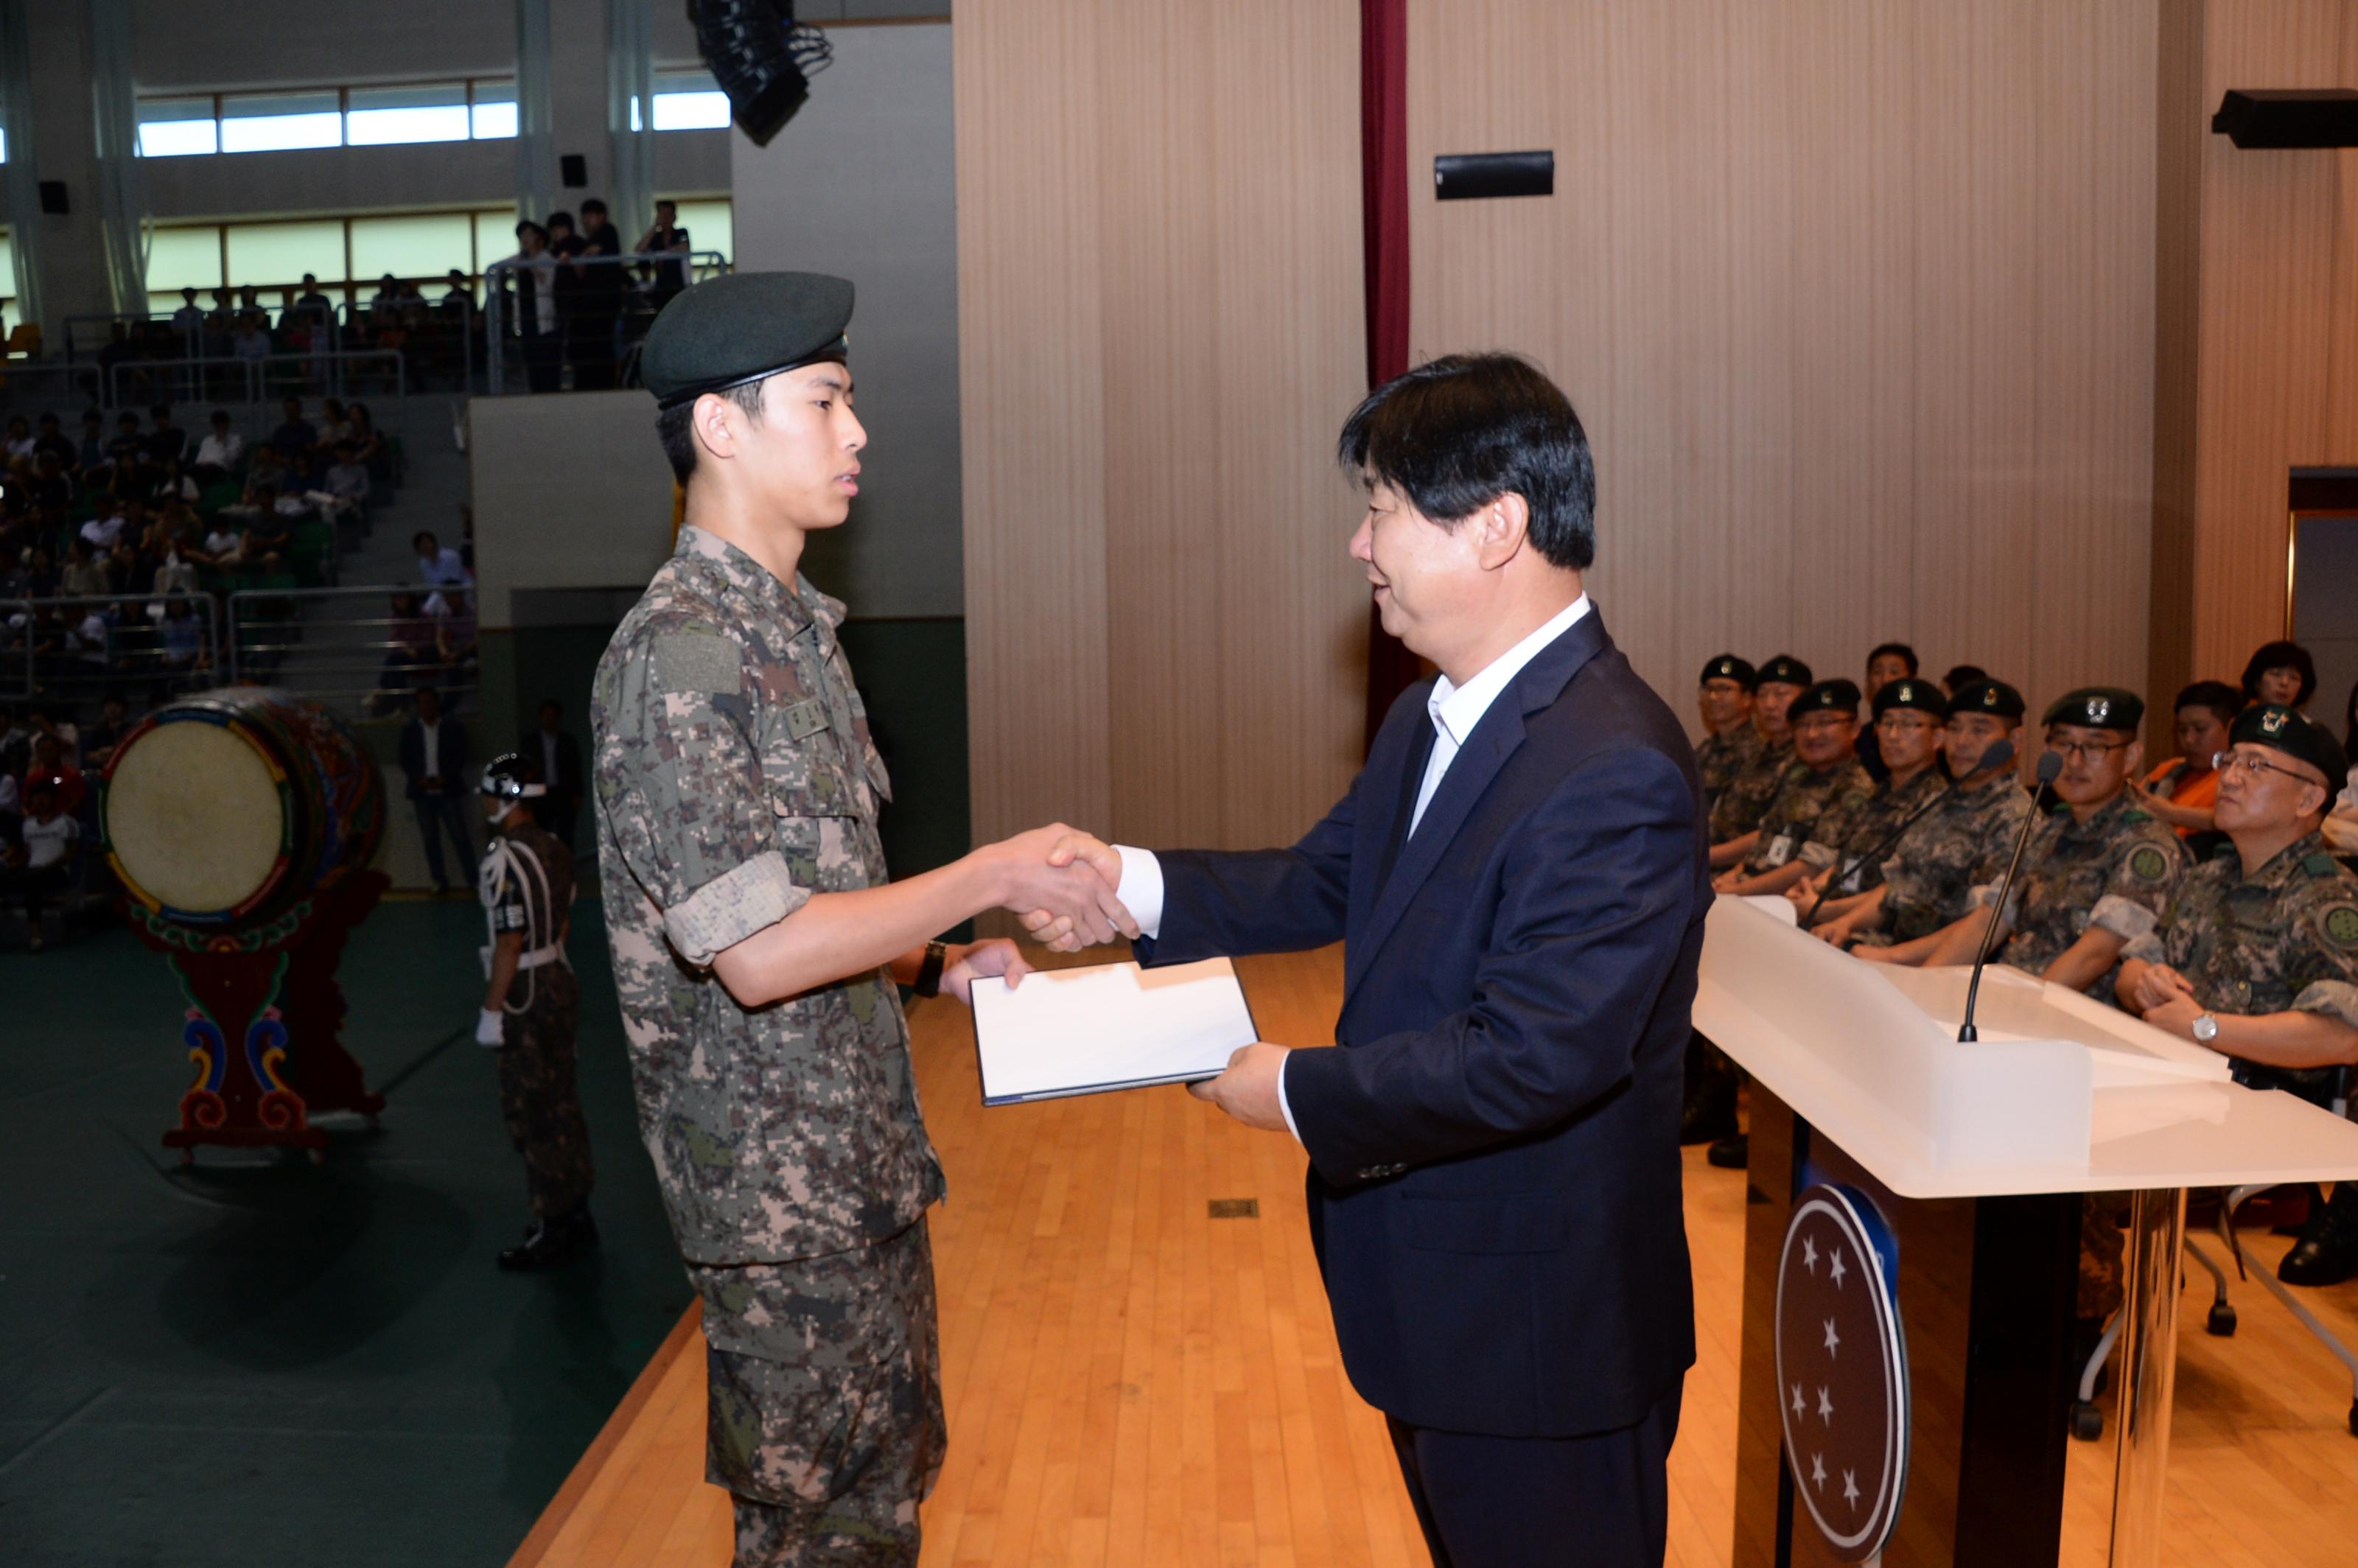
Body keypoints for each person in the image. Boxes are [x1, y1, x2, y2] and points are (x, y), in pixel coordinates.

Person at [1038, 352, 1704, 1567]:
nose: (1360, 544)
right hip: (1445, 1309)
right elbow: (1331, 878)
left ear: (1495, 526)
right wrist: (1122, 884)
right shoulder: (1431, 711)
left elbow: (1536, 1055)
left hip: (1540, 1337)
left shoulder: (1614, 767)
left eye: (1384, 506)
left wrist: (1290, 1088)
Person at [593, 270, 1133, 1567]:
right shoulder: (680, 655)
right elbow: (763, 954)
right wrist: (988, 869)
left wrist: (938, 960)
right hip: (779, 1221)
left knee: (880, 1504)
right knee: (815, 1530)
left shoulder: (793, 635)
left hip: (858, 1177)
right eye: (826, 402)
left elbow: (810, 896)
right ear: (722, 427)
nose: (859, 432)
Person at [1919, 688, 2187, 1331]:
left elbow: (2095, 956)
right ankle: (1971, 1292)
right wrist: (1923, 1002)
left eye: (2095, 748)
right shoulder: (2047, 830)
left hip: (2091, 1053)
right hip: (2020, 1038)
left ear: (2133, 757)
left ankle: (2075, 1327)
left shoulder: (2146, 845)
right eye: (2063, 745)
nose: (2075, 760)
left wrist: (2009, 1038)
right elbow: (1987, 923)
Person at [2114, 704, 2358, 1284]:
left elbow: (2345, 1036)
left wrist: (2204, 1027)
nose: (2230, 776)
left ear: (2308, 801)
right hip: (2171, 1089)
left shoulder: (2326, 898)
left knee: (2058, 1171)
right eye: (2231, 761)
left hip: (2256, 1116)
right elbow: (2129, 968)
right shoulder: (2209, 877)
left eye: (2257, 765)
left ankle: (2087, 1318)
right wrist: (2145, 982)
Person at [472, 753, 598, 1268]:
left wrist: (491, 1009)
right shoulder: (556, 849)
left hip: (524, 989)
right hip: (558, 980)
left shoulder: (503, 860)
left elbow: (509, 941)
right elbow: (561, 922)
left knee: (532, 1110)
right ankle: (576, 1211)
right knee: (563, 1099)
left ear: (505, 796)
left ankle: (553, 1223)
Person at [1836, 679, 2033, 954]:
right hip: (1891, 948)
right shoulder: (1939, 802)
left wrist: (1891, 958)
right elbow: (1897, 886)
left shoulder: (2016, 819)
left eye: (1979, 730)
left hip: (1945, 969)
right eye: (1954, 729)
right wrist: (1843, 925)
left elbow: (1979, 929)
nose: (1962, 742)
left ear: (2014, 741)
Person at [1781, 676, 1950, 916]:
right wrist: (1811, 888)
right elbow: (1848, 860)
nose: (1893, 735)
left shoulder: (1938, 803)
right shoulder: (1879, 793)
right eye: (1887, 723)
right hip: (1833, 911)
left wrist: (1822, 908)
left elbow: (1897, 890)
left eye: (1908, 725)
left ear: (1937, 738)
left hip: (1873, 930)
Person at [1712, 679, 1872, 895]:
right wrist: (1735, 875)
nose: (1812, 734)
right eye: (1803, 725)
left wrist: (1739, 890)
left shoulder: (1854, 788)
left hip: (1786, 901)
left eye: (1825, 723)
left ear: (1854, 729)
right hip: (1752, 890)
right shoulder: (1800, 776)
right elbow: (1767, 840)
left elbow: (1810, 867)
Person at [1707, 653, 1810, 853]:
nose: (1770, 704)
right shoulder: (1758, 755)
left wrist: (1704, 857)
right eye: (1762, 695)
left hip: (1748, 865)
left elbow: (1773, 832)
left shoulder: (1806, 760)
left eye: (1781, 694)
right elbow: (1723, 816)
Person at [2131, 679, 2240, 839]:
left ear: (2232, 728)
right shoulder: (2169, 769)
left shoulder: (2238, 778)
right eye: (2182, 730)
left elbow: (2239, 819)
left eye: (2200, 729)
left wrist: (2171, 813)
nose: (2189, 739)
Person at [399, 685, 475, 895]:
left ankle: (473, 879)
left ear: (436, 703)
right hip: (422, 791)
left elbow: (460, 754)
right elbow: (405, 759)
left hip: (448, 788)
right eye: (422, 703)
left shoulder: (451, 727)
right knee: (430, 839)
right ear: (417, 706)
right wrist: (419, 779)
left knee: (460, 836)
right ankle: (439, 880)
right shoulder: (411, 730)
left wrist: (447, 776)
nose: (426, 706)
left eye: (429, 702)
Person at [2, 778, 79, 951]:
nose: (41, 801)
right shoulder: (28, 825)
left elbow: (70, 854)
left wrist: (46, 867)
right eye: (37, 797)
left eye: (45, 797)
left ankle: (35, 935)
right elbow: (27, 854)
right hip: (33, 871)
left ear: (53, 799)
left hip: (57, 872)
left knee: (32, 881)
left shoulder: (66, 823)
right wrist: (12, 866)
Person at [1690, 654, 1759, 819]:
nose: (1713, 697)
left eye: (1724, 689)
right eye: (1709, 689)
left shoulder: (1760, 751)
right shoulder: (1705, 750)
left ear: (1747, 698)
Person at [499, 220, 562, 393]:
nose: (524, 239)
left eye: (528, 235)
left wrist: (530, 264)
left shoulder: (546, 258)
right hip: (526, 320)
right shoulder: (519, 259)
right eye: (522, 236)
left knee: (547, 364)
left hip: (543, 320)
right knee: (532, 363)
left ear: (538, 238)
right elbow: (497, 266)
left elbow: (547, 284)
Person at [572, 198, 626, 390]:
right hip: (596, 302)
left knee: (604, 344)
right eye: (584, 218)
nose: (586, 221)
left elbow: (589, 256)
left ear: (601, 216)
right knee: (595, 344)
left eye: (590, 217)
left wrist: (583, 258)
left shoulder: (608, 231)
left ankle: (606, 383)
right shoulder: (591, 239)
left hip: (606, 301)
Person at [522, 699, 584, 850]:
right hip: (541, 793)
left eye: (553, 715)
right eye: (546, 715)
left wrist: (577, 794)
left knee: (566, 835)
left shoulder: (567, 741)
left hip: (563, 792)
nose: (549, 719)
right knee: (542, 833)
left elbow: (576, 768)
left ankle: (566, 866)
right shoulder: (531, 742)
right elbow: (525, 769)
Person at [637, 197, 694, 304]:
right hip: (661, 286)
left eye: (668, 215)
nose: (665, 219)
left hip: (679, 285)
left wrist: (662, 254)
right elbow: (639, 250)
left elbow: (684, 246)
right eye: (662, 215)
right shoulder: (656, 237)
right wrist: (655, 227)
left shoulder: (681, 232)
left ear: (674, 217)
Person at [2242, 639, 2316, 712]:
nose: (2285, 683)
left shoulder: (2303, 724)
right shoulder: (2241, 721)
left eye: (2294, 678)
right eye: (2276, 674)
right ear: (2257, 681)